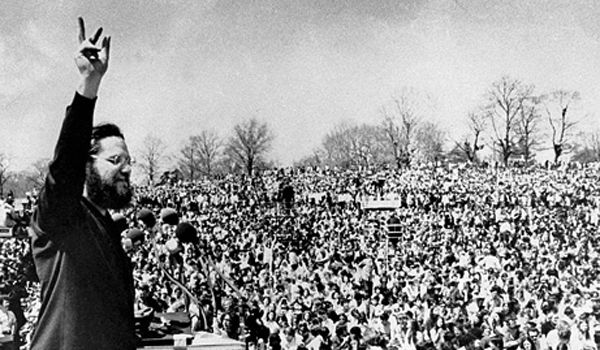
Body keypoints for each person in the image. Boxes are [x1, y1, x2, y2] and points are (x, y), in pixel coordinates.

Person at [28, 18, 137, 349]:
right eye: (115, 160)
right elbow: (65, 167)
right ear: (86, 165)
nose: (126, 170)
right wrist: (89, 84)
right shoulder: (62, 217)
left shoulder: (105, 226)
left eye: (129, 162)